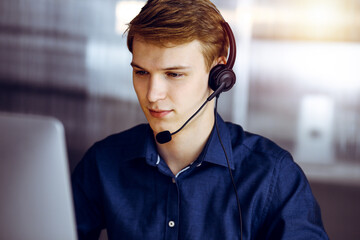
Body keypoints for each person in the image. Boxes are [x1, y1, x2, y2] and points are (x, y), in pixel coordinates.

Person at [71, 0, 329, 239]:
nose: (152, 94)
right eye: (141, 72)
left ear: (219, 75)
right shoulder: (102, 163)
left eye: (173, 74)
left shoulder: (273, 175)